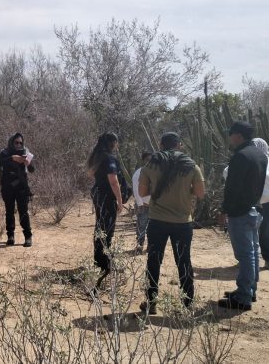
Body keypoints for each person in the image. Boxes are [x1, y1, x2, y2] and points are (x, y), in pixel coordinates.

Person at [138, 133, 205, 314]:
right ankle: (187, 304)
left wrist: (160, 189)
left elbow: (142, 191)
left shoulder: (150, 164)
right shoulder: (191, 165)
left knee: (153, 261)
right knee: (183, 261)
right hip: (182, 223)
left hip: (157, 221)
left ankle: (151, 303)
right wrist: (183, 189)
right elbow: (200, 193)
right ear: (179, 145)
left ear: (161, 145)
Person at [223, 138, 269, 273]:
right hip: (249, 203)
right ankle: (248, 260)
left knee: (266, 232)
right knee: (248, 233)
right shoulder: (245, 161)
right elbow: (226, 172)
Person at [217, 121, 268, 311]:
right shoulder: (260, 155)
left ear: (238, 135)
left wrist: (224, 210)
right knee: (253, 253)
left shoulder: (240, 156)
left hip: (240, 211)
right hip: (256, 209)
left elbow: (232, 187)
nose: (230, 139)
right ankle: (249, 290)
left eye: (231, 135)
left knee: (245, 255)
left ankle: (243, 297)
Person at [86, 132, 123, 286]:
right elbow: (114, 181)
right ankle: (104, 263)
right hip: (107, 196)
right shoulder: (109, 158)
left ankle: (99, 259)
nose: (117, 145)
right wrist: (120, 200)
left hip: (98, 192)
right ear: (112, 143)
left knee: (100, 226)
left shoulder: (96, 156)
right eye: (116, 142)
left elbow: (91, 173)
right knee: (107, 228)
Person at [0, 133, 35, 247]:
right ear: (11, 142)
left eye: (20, 143)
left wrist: (28, 163)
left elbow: (32, 169)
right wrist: (12, 158)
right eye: (16, 142)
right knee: (9, 211)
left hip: (22, 187)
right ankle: (10, 236)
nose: (18, 145)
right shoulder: (4, 153)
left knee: (23, 211)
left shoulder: (26, 153)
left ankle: (28, 237)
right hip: (8, 187)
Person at [132, 151, 153, 253]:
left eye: (151, 159)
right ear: (143, 160)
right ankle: (140, 246)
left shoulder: (156, 173)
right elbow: (136, 189)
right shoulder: (139, 173)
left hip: (154, 206)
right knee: (141, 226)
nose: (149, 162)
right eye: (147, 159)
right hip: (143, 205)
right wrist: (140, 204)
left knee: (153, 227)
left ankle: (150, 246)